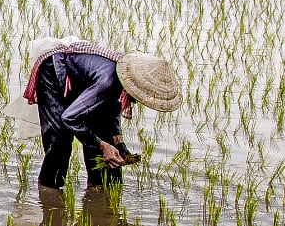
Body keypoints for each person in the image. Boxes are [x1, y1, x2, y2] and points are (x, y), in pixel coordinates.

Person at [21, 40, 181, 189]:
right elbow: (69, 118)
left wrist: (119, 146)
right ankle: (49, 193)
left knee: (103, 136)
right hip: (54, 71)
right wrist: (103, 145)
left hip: (85, 80)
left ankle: (100, 189)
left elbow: (111, 113)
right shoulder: (108, 82)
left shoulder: (119, 82)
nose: (138, 101)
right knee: (60, 141)